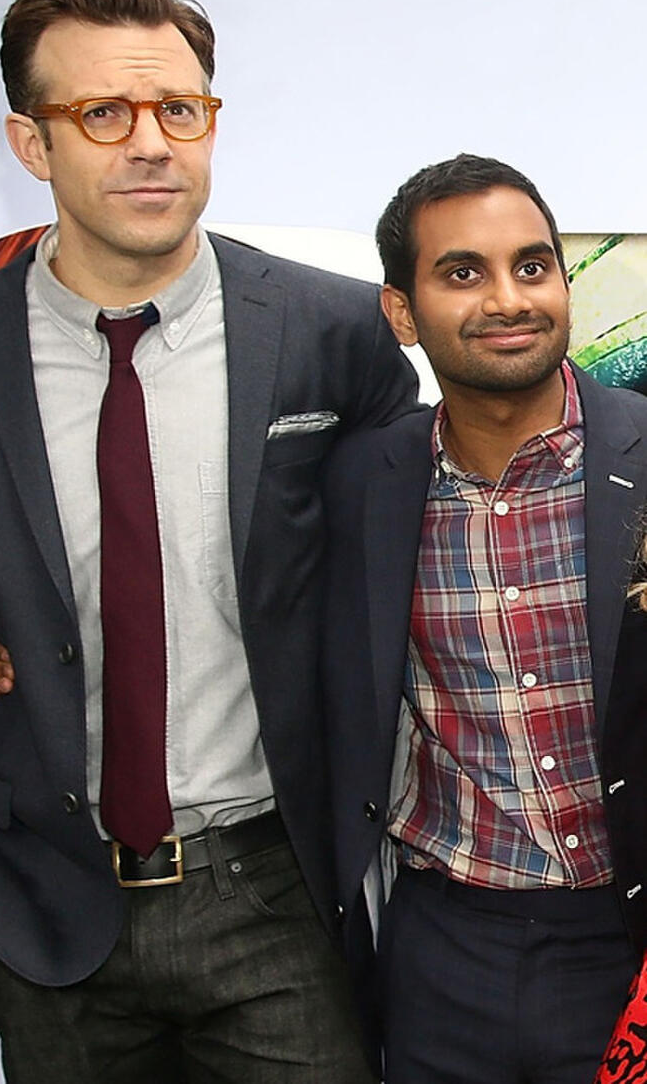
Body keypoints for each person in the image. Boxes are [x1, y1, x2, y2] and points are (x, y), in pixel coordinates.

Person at [0, 0, 417, 1084]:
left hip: (277, 897)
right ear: (29, 142)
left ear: (210, 121)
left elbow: (398, 579)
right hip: (40, 902)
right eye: (101, 111)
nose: (149, 142)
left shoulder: (332, 331)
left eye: (177, 108)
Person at [321, 153, 647, 1083]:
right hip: (443, 950)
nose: (509, 298)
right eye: (463, 272)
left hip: (627, 936)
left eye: (533, 266)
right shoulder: (360, 486)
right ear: (401, 312)